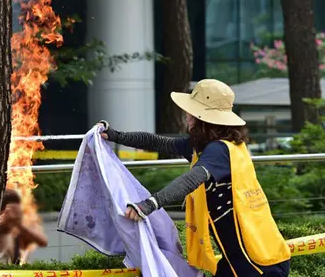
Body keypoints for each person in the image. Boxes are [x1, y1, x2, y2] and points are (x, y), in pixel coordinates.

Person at [98, 79, 291, 277]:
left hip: (256, 263)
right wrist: (114, 135)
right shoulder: (219, 146)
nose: (187, 115)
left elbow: (191, 180)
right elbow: (156, 142)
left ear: (201, 117)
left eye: (190, 111)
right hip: (251, 256)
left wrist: (149, 204)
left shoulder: (218, 150)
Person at [0, 188, 48, 264]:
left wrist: (19, 225)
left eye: (16, 211)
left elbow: (43, 241)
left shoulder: (18, 230)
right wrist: (4, 222)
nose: (12, 214)